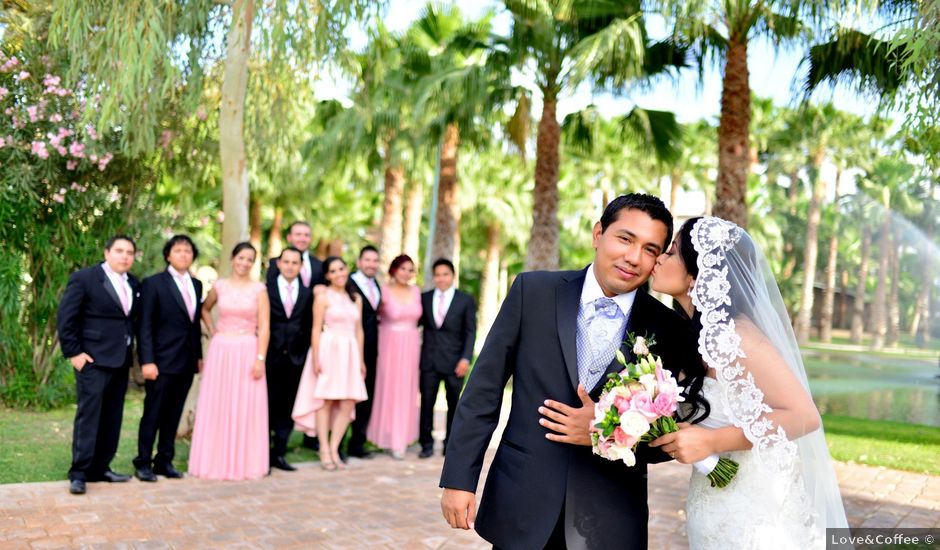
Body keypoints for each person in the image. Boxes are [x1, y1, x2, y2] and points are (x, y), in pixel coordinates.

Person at [439, 194, 706, 549]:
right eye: (625, 239)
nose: (633, 257)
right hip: (523, 500)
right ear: (599, 234)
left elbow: (670, 434)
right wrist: (459, 478)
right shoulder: (532, 292)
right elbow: (483, 390)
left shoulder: (670, 328)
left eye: (650, 249)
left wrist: (608, 432)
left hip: (609, 518)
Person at [648, 216, 848, 548]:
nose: (658, 259)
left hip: (754, 512)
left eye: (671, 253)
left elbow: (804, 415)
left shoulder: (736, 336)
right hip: (712, 501)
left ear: (697, 275)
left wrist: (713, 442)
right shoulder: (692, 338)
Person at [57, 235, 141, 495]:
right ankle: (79, 472)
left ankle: (101, 468)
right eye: (119, 250)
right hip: (92, 360)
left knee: (112, 417)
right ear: (107, 253)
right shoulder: (85, 278)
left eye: (129, 252)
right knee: (89, 416)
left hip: (120, 361)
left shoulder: (133, 283)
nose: (124, 256)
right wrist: (74, 354)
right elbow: (66, 317)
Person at [188, 242, 270, 480]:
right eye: (240, 258)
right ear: (232, 258)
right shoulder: (220, 286)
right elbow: (204, 309)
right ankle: (215, 461)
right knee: (219, 403)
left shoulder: (259, 290)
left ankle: (245, 463)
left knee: (245, 405)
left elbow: (264, 327)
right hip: (221, 350)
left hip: (247, 349)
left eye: (249, 260)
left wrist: (260, 358)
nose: (244, 263)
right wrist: (213, 330)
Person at [134, 235, 203, 482]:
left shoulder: (196, 285)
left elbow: (193, 325)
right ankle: (142, 462)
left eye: (188, 251)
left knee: (174, 414)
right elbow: (145, 326)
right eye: (178, 250)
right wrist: (147, 361)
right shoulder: (153, 284)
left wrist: (199, 356)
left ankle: (164, 461)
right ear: (168, 255)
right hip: (160, 362)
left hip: (186, 362)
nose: (183, 254)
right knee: (153, 413)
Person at [292, 256, 367, 470]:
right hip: (329, 348)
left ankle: (334, 447)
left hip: (350, 351)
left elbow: (359, 330)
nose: (338, 274)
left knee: (347, 402)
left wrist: (360, 359)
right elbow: (315, 329)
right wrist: (316, 358)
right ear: (327, 276)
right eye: (332, 271)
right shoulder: (323, 297)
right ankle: (323, 448)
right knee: (325, 402)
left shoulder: (356, 299)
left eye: (341, 269)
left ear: (347, 270)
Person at [418, 258, 476, 459]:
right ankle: (425, 444)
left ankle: (448, 443)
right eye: (437, 275)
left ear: (452, 276)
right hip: (429, 361)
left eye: (445, 274)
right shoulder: (424, 298)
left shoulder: (465, 300)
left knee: (454, 404)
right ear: (433, 277)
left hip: (455, 362)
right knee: (426, 403)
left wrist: (465, 359)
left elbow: (470, 332)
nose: (441, 278)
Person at [367, 254, 422, 459]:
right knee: (388, 387)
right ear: (393, 270)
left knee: (406, 389)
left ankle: (402, 438)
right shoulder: (383, 291)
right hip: (388, 343)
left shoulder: (416, 291)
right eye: (403, 269)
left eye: (410, 270)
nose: (406, 273)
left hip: (411, 344)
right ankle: (386, 436)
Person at [265, 246, 313, 471]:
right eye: (286, 262)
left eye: (295, 263)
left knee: (287, 407)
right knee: (267, 405)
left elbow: (308, 325)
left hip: (295, 359)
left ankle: (280, 453)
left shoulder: (307, 292)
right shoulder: (266, 289)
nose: (290, 266)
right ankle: (263, 454)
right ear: (278, 263)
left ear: (301, 266)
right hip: (269, 356)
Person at [346, 245, 382, 459]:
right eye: (367, 260)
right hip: (351, 346)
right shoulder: (348, 282)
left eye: (375, 261)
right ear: (359, 262)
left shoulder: (376, 285)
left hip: (372, 349)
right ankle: (338, 443)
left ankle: (357, 443)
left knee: (366, 395)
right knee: (346, 394)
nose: (371, 264)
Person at [266, 221, 325, 289]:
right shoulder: (275, 263)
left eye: (306, 235)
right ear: (289, 238)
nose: (302, 239)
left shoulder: (320, 265)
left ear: (311, 238)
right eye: (298, 234)